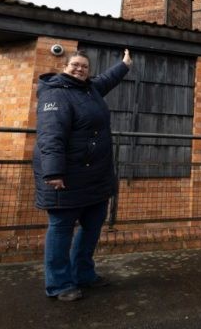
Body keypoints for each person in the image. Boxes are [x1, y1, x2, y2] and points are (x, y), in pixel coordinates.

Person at [32, 48, 132, 301]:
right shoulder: (55, 93)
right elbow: (50, 135)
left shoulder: (88, 89)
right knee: (61, 228)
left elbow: (106, 79)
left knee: (92, 227)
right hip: (67, 176)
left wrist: (124, 65)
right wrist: (53, 171)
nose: (80, 69)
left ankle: (83, 274)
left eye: (84, 66)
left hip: (96, 176)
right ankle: (59, 284)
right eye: (75, 65)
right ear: (64, 67)